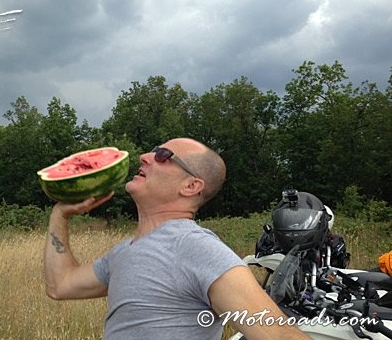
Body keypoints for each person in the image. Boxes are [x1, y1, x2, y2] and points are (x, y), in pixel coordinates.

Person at [44, 138, 308, 340]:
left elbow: (280, 335)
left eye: (163, 155)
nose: (145, 156)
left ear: (191, 186)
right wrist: (60, 216)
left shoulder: (196, 248)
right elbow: (61, 286)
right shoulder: (123, 252)